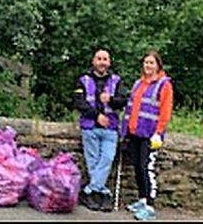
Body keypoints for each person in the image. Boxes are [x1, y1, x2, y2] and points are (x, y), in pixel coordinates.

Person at [122, 50, 173, 221]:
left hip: (150, 135)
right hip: (135, 132)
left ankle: (150, 206)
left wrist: (159, 133)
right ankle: (142, 199)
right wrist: (125, 131)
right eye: (146, 62)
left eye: (151, 63)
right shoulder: (139, 83)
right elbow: (130, 109)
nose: (148, 66)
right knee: (137, 166)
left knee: (146, 168)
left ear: (158, 65)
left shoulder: (164, 84)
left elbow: (165, 111)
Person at [73, 49, 127, 211]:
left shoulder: (117, 80)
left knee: (107, 159)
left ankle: (89, 191)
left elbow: (124, 101)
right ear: (93, 61)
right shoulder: (82, 80)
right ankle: (100, 194)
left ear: (109, 62)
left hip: (110, 129)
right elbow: (79, 103)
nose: (102, 62)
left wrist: (110, 99)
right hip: (90, 127)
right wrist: (97, 116)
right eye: (99, 59)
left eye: (105, 59)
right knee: (93, 162)